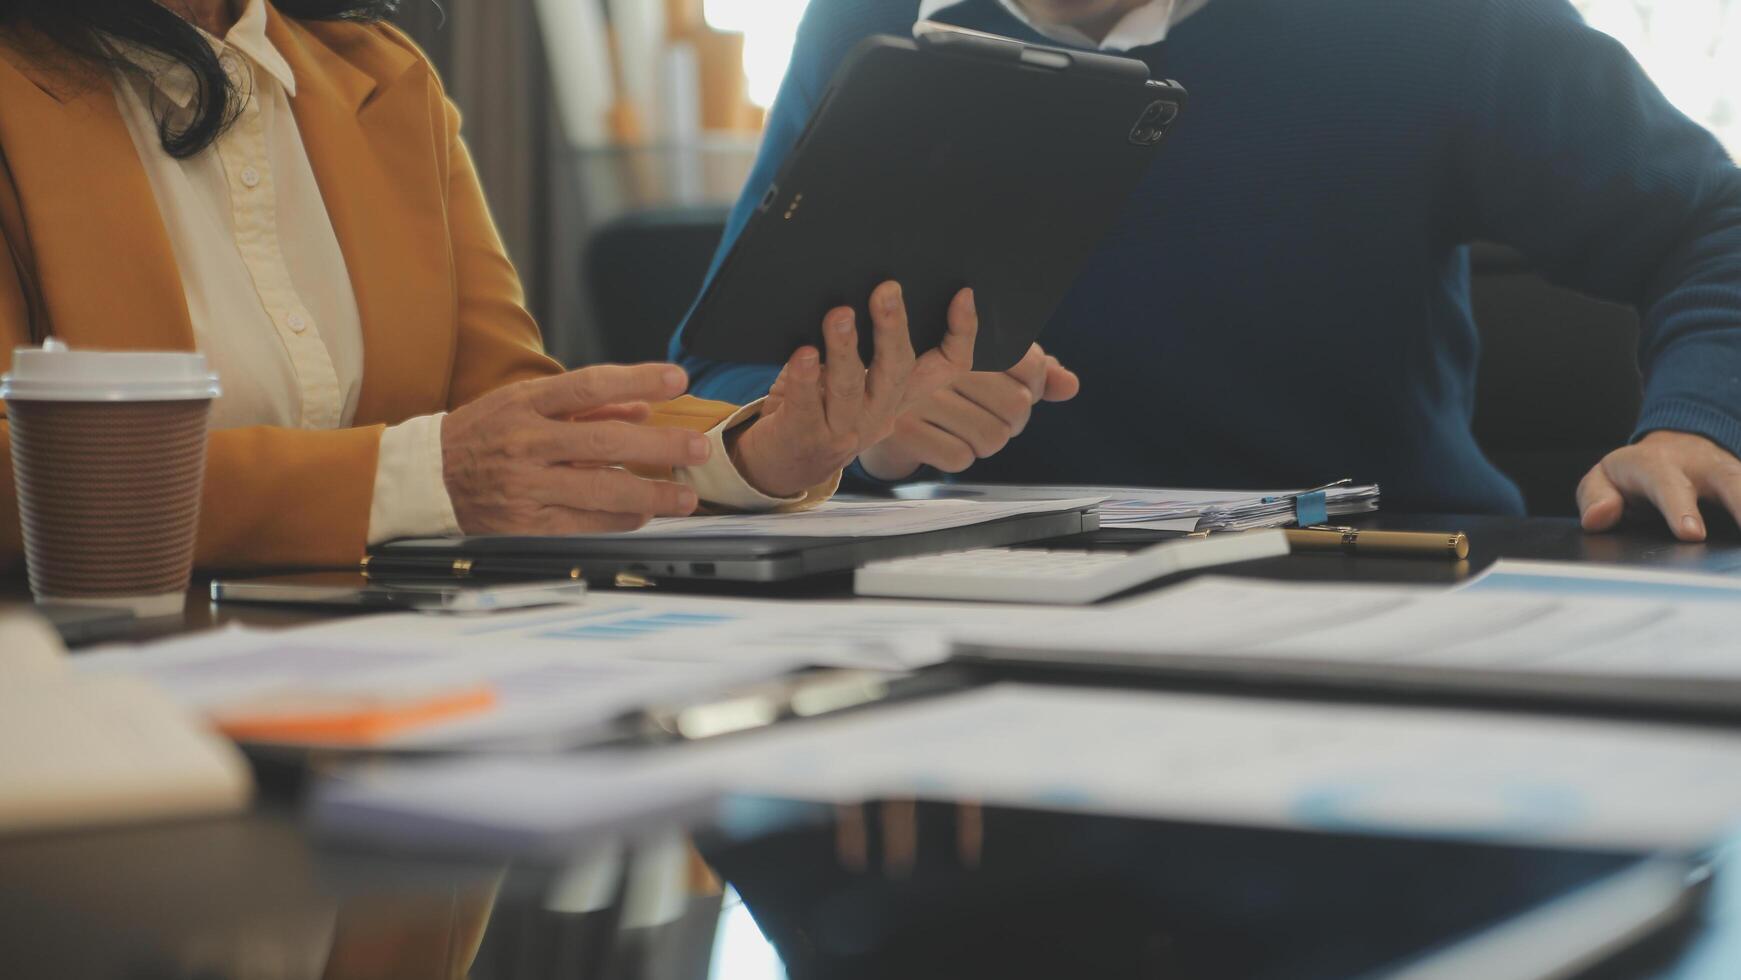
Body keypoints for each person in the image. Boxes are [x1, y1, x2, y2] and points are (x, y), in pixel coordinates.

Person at [673, 0, 1741, 542]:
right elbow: (719, 371)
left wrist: (1696, 421)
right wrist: (820, 438)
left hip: (1374, 593)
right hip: (973, 631)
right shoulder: (869, 26)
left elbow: (1710, 221)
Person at [0, 0, 978, 570]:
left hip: (416, 711)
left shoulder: (386, 80)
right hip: (112, 730)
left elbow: (520, 423)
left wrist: (764, 450)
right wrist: (419, 477)